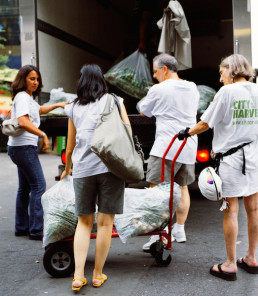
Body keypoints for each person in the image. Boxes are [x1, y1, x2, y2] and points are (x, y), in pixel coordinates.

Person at [181, 54, 258, 281]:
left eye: (221, 72)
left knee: (230, 210)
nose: (220, 78)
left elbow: (206, 122)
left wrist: (186, 132)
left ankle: (229, 264)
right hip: (254, 157)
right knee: (254, 208)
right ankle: (251, 258)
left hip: (232, 160)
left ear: (232, 69)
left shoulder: (227, 92)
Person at [60, 64, 130, 291]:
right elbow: (127, 133)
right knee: (105, 223)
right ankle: (98, 274)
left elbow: (70, 147)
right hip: (111, 168)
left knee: (84, 222)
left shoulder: (73, 107)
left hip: (82, 170)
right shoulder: (115, 101)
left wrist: (67, 168)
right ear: (102, 80)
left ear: (81, 81)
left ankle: (78, 275)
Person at [137, 53, 199, 251]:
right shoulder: (192, 87)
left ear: (164, 69)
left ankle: (157, 237)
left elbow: (143, 111)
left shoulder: (159, 89)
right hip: (188, 146)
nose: (154, 76)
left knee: (157, 191)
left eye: (155, 71)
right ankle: (179, 229)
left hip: (166, 147)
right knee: (182, 187)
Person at [7, 65, 67, 240]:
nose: (35, 82)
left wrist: (58, 104)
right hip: (23, 148)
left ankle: (22, 227)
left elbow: (39, 110)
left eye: (37, 79)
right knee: (39, 186)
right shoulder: (23, 97)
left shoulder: (28, 98)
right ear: (23, 79)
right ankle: (36, 230)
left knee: (25, 188)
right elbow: (23, 121)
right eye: (31, 78)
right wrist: (42, 134)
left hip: (19, 148)